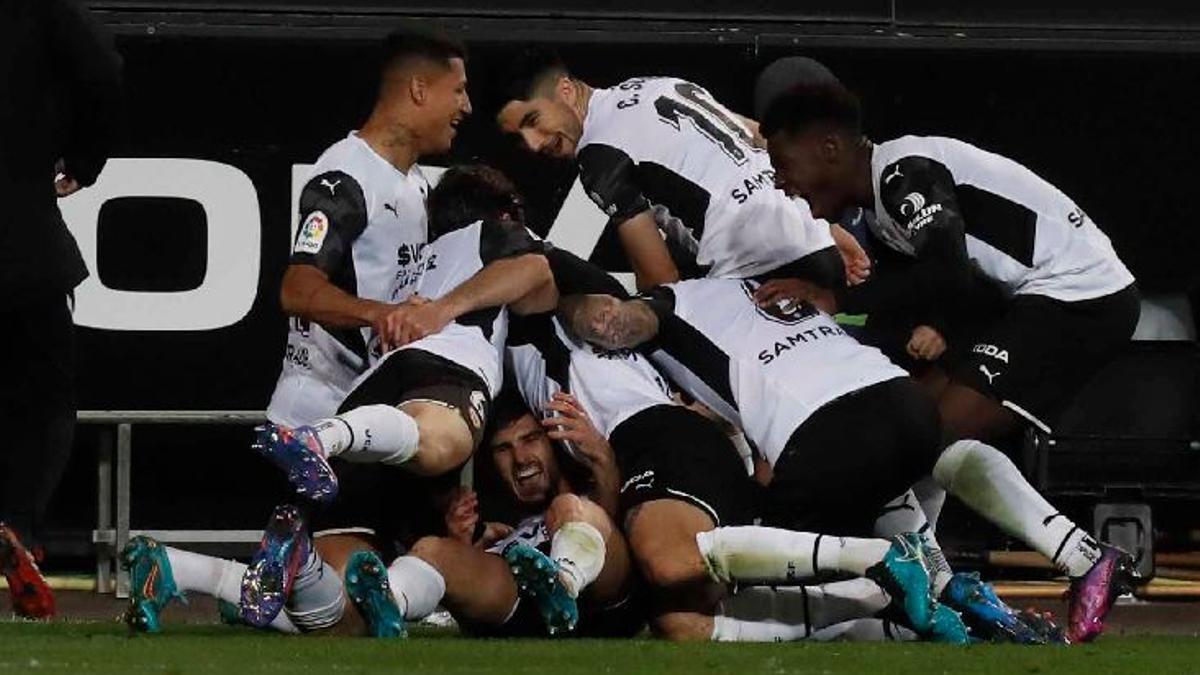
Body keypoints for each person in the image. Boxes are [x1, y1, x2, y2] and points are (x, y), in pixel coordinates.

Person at [119, 28, 471, 635]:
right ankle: (261, 572)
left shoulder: (415, 186)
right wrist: (379, 314)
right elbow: (297, 289)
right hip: (322, 414)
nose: (466, 106)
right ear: (419, 89)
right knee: (346, 621)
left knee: (342, 611)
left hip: (370, 416)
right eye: (458, 90)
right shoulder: (344, 179)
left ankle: (179, 568)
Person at [560, 275, 1135, 643]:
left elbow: (609, 323)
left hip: (823, 436)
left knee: (697, 598)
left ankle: (902, 581)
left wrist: (569, 305)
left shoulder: (675, 303)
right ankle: (1075, 552)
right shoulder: (770, 287)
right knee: (939, 456)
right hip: (900, 401)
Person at [243, 164, 553, 635]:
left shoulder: (407, 267)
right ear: (507, 213)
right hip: (445, 363)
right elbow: (536, 271)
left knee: (342, 616)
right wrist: (446, 311)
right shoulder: (494, 232)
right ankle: (318, 440)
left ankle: (296, 564)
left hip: (369, 394)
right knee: (441, 445)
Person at [755, 73, 1139, 449]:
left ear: (830, 149)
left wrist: (834, 299)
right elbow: (929, 288)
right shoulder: (878, 209)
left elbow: (947, 272)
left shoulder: (905, 173)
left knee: (929, 438)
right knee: (904, 426)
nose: (778, 182)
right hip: (1015, 300)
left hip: (1081, 296)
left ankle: (1044, 518)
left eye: (783, 164)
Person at [494, 49, 849, 292]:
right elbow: (758, 135)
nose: (534, 143)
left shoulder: (599, 155)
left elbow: (660, 278)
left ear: (567, 91)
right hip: (816, 246)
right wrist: (826, 225)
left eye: (534, 120)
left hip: (758, 271)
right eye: (519, 137)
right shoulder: (659, 84)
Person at [0, 0, 122, 620]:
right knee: (44, 396)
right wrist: (84, 158)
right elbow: (101, 68)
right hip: (20, 237)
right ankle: (16, 523)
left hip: (22, 237)